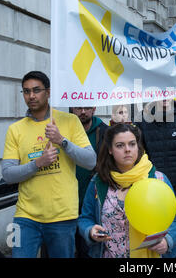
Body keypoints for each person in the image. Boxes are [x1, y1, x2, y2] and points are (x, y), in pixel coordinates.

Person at [2, 71, 96, 258]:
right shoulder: (15, 129)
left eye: (37, 90)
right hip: (25, 217)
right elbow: (8, 174)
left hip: (62, 216)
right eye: (26, 91)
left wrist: (62, 141)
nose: (31, 96)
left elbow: (90, 160)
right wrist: (37, 163)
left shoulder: (70, 121)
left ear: (49, 92)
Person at [77, 123, 176, 258]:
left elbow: (175, 219)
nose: (127, 149)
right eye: (120, 145)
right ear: (110, 149)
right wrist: (90, 231)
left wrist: (168, 240)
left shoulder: (158, 178)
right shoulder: (98, 182)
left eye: (132, 144)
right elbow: (85, 218)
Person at [136, 99, 176, 216]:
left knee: (175, 224)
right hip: (149, 184)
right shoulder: (142, 121)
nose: (164, 97)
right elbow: (138, 151)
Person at [69, 106, 108, 257]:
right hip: (68, 200)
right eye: (79, 108)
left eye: (86, 108)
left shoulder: (104, 132)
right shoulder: (63, 130)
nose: (83, 112)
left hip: (92, 200)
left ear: (94, 108)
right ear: (72, 109)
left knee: (88, 248)